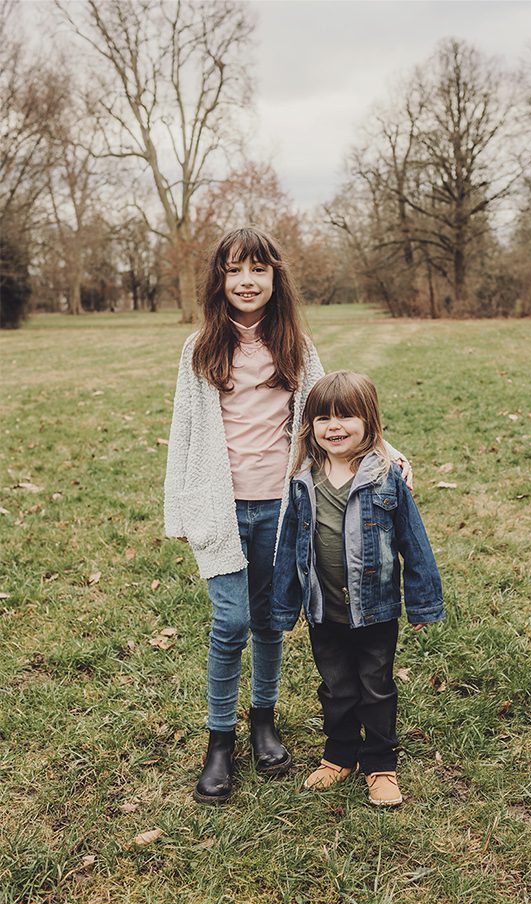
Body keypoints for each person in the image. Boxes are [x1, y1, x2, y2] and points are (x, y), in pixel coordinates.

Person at [164, 228, 323, 803]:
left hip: (280, 509)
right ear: (220, 280)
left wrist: (386, 450)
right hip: (220, 507)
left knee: (271, 619)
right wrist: (178, 507)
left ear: (275, 278)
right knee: (230, 622)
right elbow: (184, 432)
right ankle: (220, 739)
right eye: (235, 270)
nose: (247, 281)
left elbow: (330, 412)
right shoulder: (200, 348)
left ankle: (263, 719)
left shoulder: (297, 347)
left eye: (258, 269)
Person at [271, 370, 443, 808]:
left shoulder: (387, 479)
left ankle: (381, 765)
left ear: (369, 422)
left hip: (376, 611)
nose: (334, 426)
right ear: (310, 426)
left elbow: (414, 543)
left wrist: (423, 604)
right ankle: (339, 755)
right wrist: (284, 606)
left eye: (346, 416)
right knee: (336, 687)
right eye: (323, 418)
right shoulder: (302, 481)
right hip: (324, 611)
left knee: (376, 687)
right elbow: (290, 546)